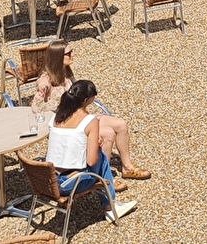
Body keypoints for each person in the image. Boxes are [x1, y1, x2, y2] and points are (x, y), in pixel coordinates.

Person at [32, 40, 151, 188]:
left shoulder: (66, 72)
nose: (72, 55)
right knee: (107, 134)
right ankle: (103, 178)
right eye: (68, 53)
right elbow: (35, 108)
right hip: (68, 124)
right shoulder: (46, 81)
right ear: (58, 57)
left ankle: (127, 166)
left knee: (121, 124)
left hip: (81, 116)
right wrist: (56, 105)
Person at [46, 80, 138, 223]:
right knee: (100, 156)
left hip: (49, 180)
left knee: (96, 155)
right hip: (71, 184)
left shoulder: (55, 118)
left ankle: (110, 204)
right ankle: (110, 207)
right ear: (86, 100)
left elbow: (64, 145)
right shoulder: (90, 121)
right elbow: (91, 161)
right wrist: (95, 146)